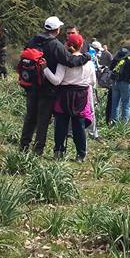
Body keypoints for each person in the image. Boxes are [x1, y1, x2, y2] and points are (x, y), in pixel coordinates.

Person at [20, 16, 91, 156]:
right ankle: (38, 150)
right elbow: (70, 60)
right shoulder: (55, 44)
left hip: (31, 85)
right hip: (47, 87)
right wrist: (86, 57)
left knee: (30, 117)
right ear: (57, 30)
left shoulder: (33, 40)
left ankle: (23, 146)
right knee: (43, 120)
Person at [42, 33, 96, 162]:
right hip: (81, 96)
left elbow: (56, 81)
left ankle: (59, 151)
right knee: (79, 126)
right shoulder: (89, 63)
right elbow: (93, 81)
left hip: (64, 95)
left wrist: (45, 69)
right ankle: (80, 154)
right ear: (81, 45)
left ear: (66, 45)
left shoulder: (64, 62)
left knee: (61, 125)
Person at [110, 43, 130, 123]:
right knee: (126, 105)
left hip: (115, 82)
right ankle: (124, 126)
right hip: (126, 83)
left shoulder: (118, 56)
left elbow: (111, 67)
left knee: (115, 104)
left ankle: (113, 123)